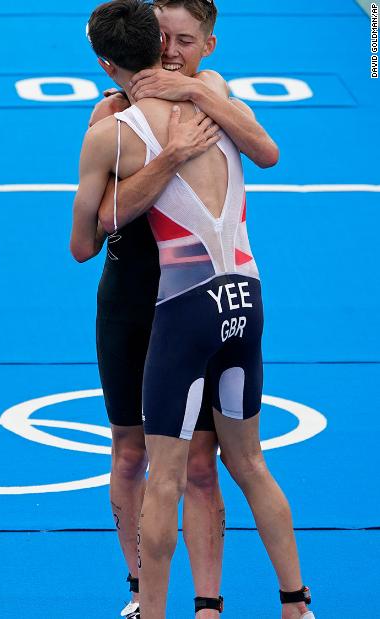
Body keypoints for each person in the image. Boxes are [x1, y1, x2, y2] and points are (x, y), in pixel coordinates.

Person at [71, 2, 314, 618]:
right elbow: (96, 235)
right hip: (179, 298)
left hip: (185, 306)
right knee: (149, 457)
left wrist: (186, 94)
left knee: (189, 473)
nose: (174, 53)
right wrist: (170, 155)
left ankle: (204, 606)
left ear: (205, 44)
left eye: (185, 41)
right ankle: (157, 594)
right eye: (167, 40)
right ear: (151, 41)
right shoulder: (120, 118)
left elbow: (267, 149)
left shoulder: (205, 95)